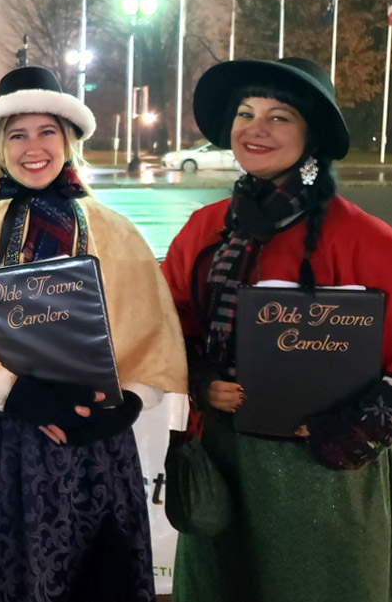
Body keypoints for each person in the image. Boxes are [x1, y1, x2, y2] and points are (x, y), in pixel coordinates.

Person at [0, 66, 187, 602]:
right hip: (0, 443)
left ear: (68, 139)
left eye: (47, 131)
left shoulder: (117, 231)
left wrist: (128, 403)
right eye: (17, 135)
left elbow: (151, 332)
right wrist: (15, 393)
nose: (33, 147)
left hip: (95, 446)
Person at [161, 57, 392, 602]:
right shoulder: (205, 227)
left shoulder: (364, 239)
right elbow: (170, 322)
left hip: (324, 476)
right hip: (222, 462)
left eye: (279, 116)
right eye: (246, 113)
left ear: (312, 136)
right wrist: (201, 379)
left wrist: (356, 426)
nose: (255, 129)